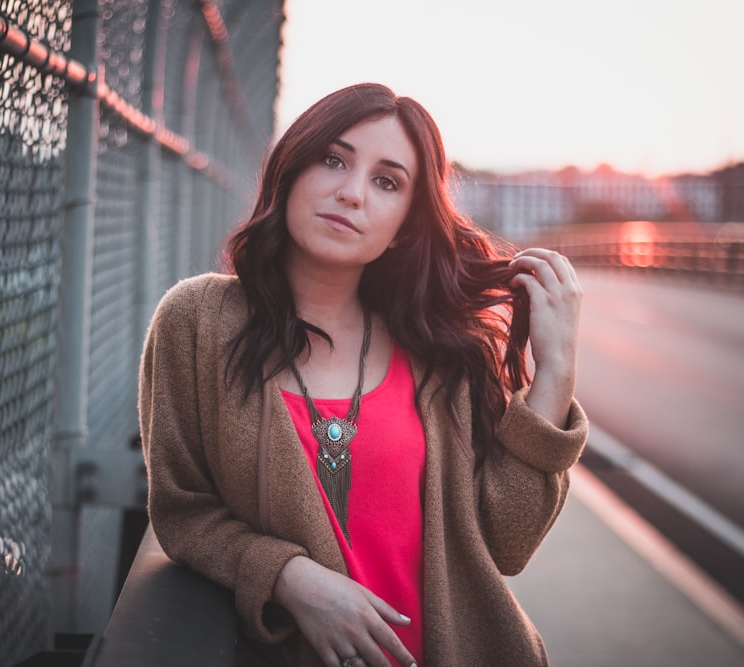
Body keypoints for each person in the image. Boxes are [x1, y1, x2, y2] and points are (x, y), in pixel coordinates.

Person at [139, 82, 587, 667]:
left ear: (405, 222)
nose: (351, 193)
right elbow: (183, 512)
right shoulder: (197, 321)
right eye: (333, 159)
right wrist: (290, 578)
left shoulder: (438, 351)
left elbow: (503, 545)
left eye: (386, 181)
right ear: (292, 169)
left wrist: (557, 369)